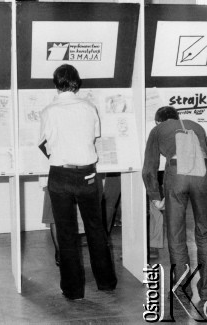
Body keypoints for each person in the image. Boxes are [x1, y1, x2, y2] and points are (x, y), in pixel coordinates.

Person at [39, 64, 117, 300]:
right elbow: (93, 137)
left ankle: (73, 290)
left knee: (66, 232)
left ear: (55, 83)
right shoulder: (89, 107)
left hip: (60, 175)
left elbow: (44, 143)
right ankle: (106, 283)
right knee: (96, 229)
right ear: (77, 83)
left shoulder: (48, 110)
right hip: (88, 175)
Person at [142, 106, 207, 312]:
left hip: (176, 175)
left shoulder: (158, 130)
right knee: (205, 233)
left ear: (158, 121)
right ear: (176, 117)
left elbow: (149, 167)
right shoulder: (197, 126)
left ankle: (183, 290)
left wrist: (155, 196)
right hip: (203, 175)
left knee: (176, 236)